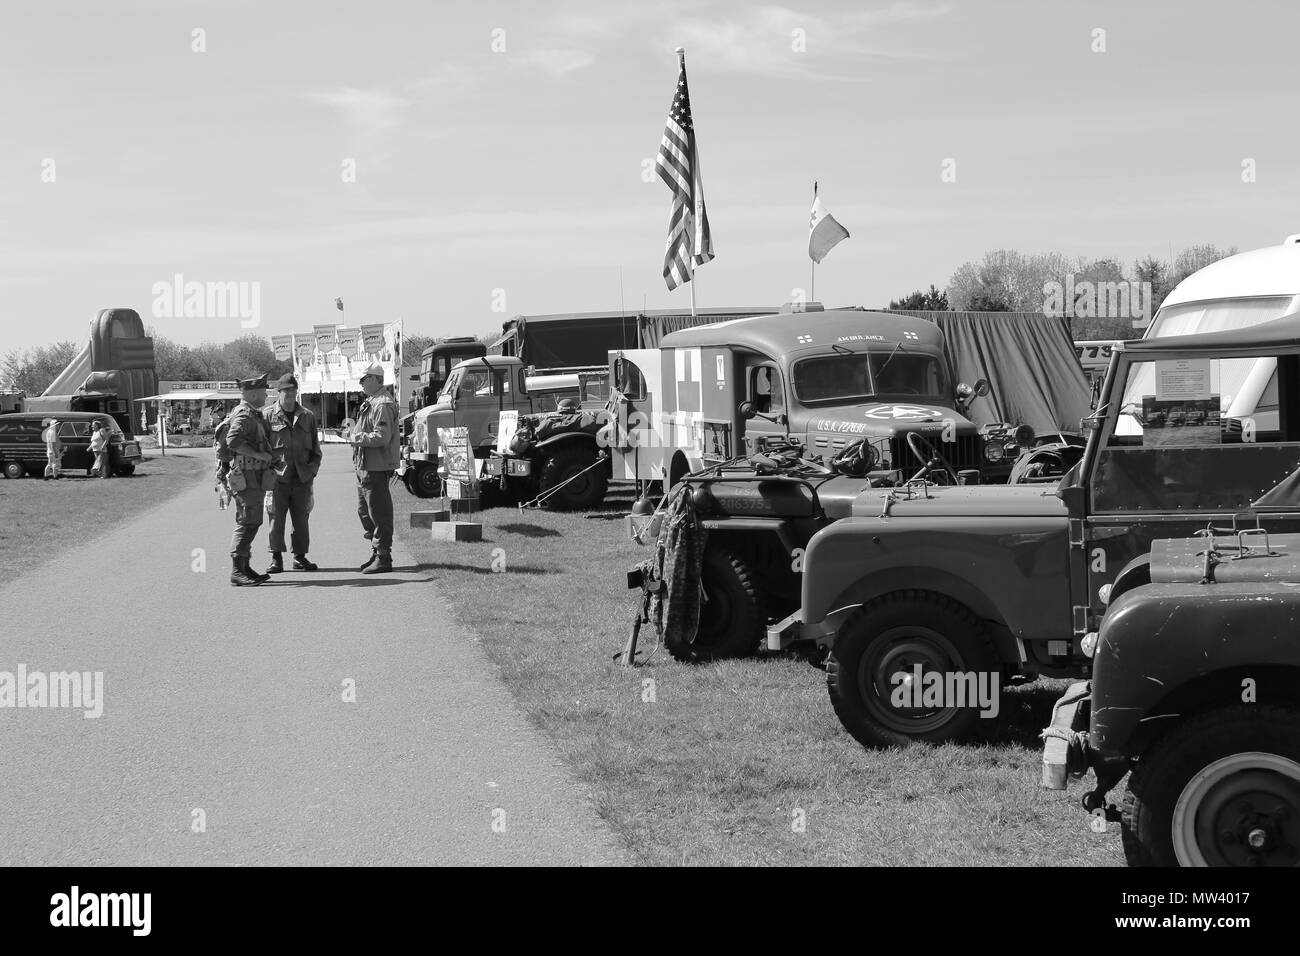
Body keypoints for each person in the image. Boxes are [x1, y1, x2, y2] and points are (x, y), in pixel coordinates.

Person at [263, 373, 322, 573]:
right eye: (286, 390)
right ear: (278, 392)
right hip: (276, 479)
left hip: (302, 478)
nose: (290, 394)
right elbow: (261, 448)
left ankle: (300, 557)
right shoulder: (267, 416)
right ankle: (276, 558)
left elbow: (316, 450)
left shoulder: (307, 416)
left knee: (301, 520)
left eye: (293, 390)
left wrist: (311, 472)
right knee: (275, 519)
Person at [225, 374, 278, 587]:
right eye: (264, 391)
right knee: (247, 521)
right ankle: (237, 570)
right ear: (254, 393)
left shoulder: (252, 414)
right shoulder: (244, 414)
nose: (266, 395)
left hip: (253, 476)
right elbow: (233, 441)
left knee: (253, 520)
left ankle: (245, 567)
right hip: (246, 476)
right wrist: (260, 455)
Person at [349, 362, 400, 574]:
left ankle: (384, 556)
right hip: (366, 465)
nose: (361, 384)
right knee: (365, 512)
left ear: (374, 379)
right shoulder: (372, 401)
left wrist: (356, 437)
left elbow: (382, 437)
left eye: (363, 379)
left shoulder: (382, 404)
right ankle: (377, 552)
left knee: (379, 513)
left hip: (375, 467)